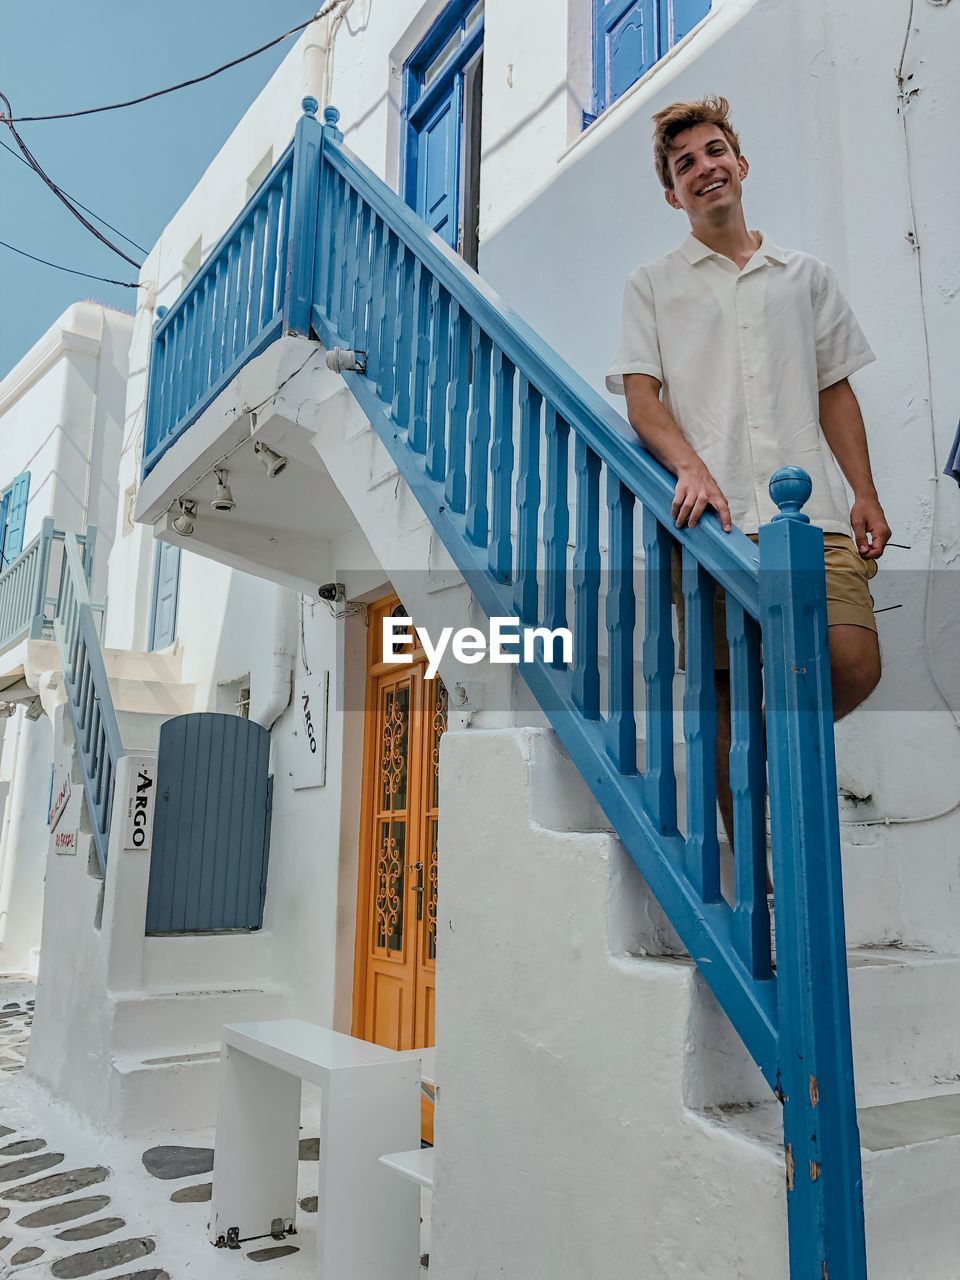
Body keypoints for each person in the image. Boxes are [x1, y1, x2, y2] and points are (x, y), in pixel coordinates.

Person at [605, 96, 890, 843]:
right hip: (716, 522)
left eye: (713, 152)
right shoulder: (652, 284)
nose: (704, 169)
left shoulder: (805, 277)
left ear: (741, 162)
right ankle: (756, 884)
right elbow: (642, 398)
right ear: (672, 193)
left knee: (853, 661)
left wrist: (863, 490)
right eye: (685, 164)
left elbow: (834, 388)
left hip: (811, 517)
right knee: (726, 694)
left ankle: (770, 746)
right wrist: (691, 468)